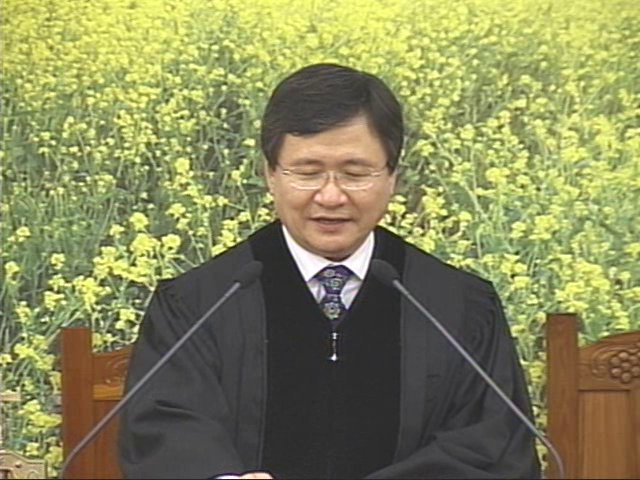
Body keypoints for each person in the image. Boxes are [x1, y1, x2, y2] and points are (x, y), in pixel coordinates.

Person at [119, 63, 541, 479]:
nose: (331, 196)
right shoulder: (197, 305)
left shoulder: (458, 307)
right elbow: (167, 432)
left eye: (355, 174)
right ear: (270, 175)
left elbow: (492, 446)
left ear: (392, 177)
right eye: (307, 173)